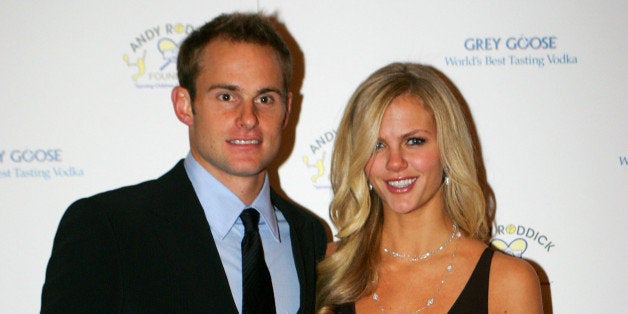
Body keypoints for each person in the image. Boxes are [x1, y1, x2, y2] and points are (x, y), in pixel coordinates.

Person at [41, 12, 327, 314]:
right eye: (227, 96)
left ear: (287, 109)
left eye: (265, 99)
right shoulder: (108, 228)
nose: (248, 118)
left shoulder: (309, 237)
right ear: (184, 105)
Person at [316, 63, 542, 313]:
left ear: (448, 148)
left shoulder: (507, 281)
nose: (395, 162)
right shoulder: (328, 268)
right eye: (377, 145)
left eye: (414, 141)